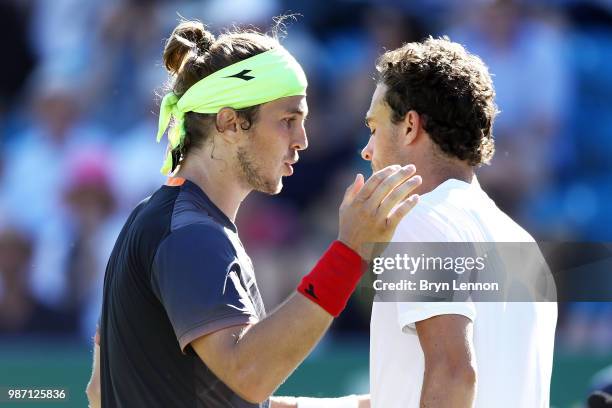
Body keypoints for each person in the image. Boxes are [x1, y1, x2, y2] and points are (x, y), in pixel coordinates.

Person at [85, 20, 422, 408]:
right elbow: (247, 375)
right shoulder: (192, 234)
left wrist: (357, 405)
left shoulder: (160, 220)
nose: (302, 141)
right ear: (229, 123)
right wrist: (350, 251)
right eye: (288, 120)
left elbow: (100, 391)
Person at [362, 37, 557, 408]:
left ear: (409, 127)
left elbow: (455, 375)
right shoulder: (524, 245)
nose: (367, 150)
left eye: (374, 128)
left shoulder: (418, 220)